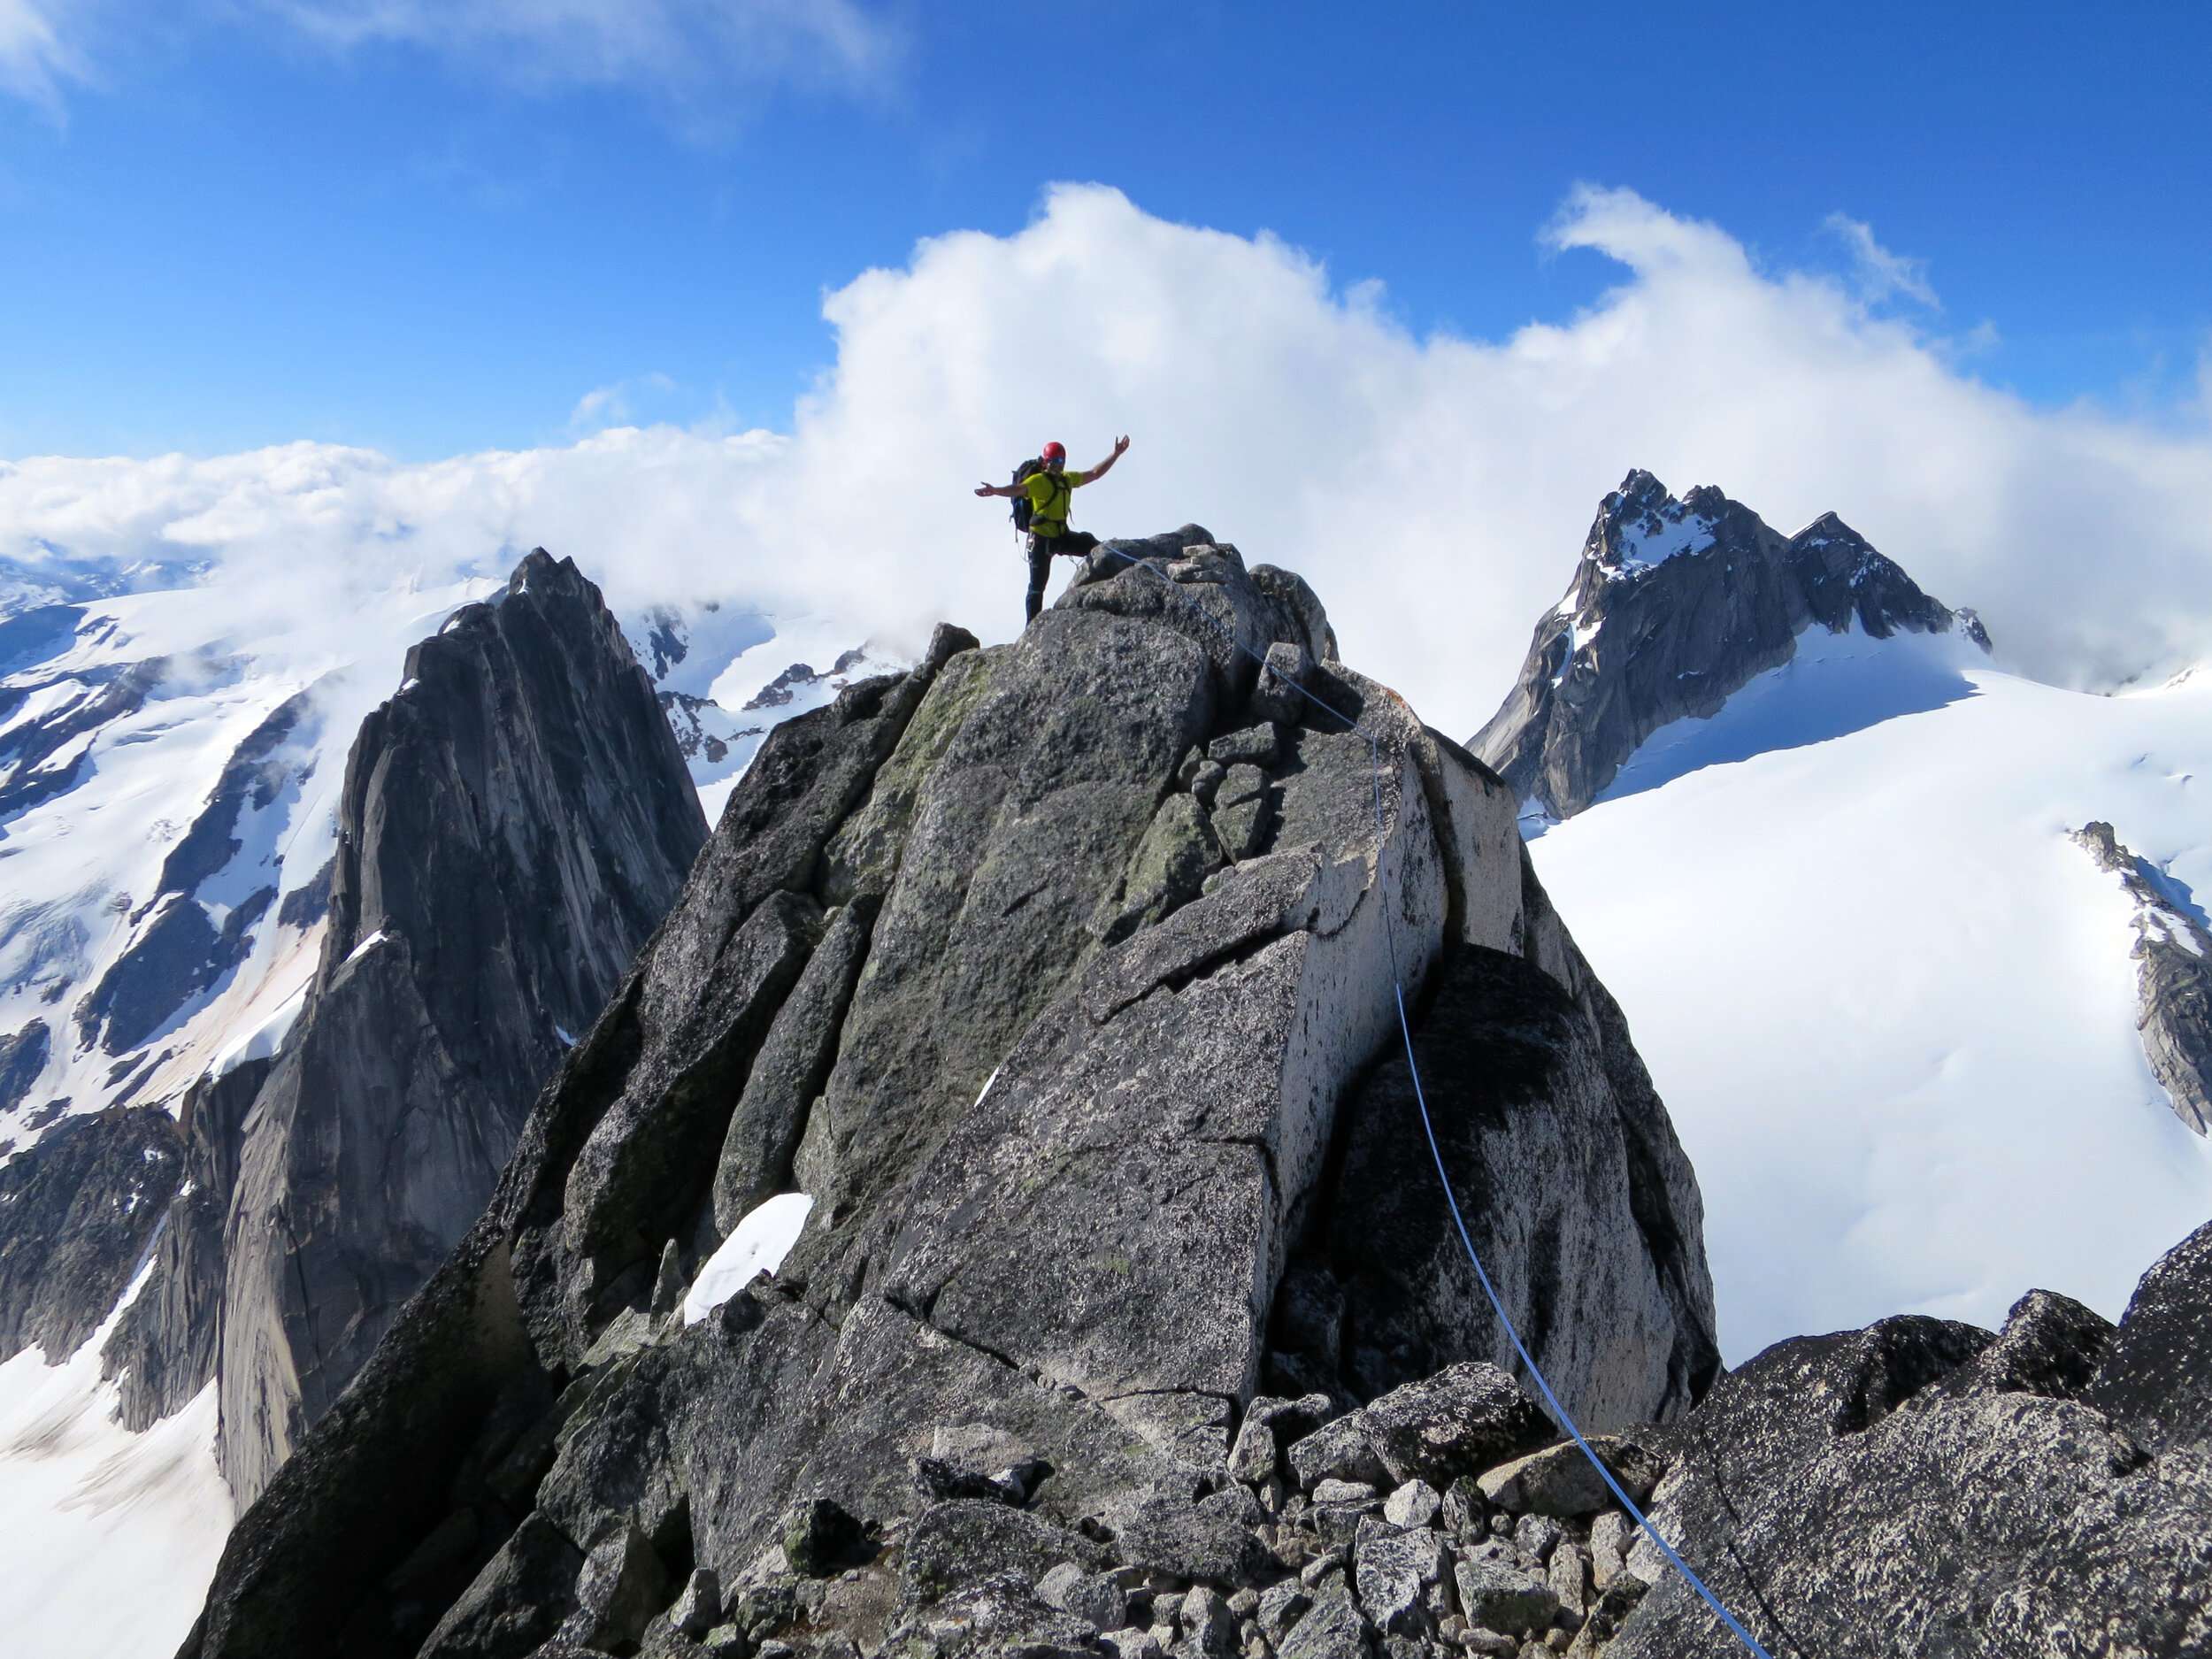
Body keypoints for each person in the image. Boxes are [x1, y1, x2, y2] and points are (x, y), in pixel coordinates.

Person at [974, 434, 1132, 623]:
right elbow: (1018, 489)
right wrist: (996, 491)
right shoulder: (1038, 481)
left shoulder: (1067, 479)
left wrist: (1115, 454)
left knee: (1097, 548)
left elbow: (1094, 474)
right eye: (1054, 461)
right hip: (1041, 541)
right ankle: (1031, 629)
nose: (1058, 465)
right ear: (1045, 463)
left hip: (1061, 537)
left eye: (1061, 461)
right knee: (1037, 587)